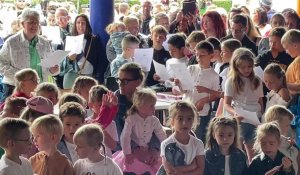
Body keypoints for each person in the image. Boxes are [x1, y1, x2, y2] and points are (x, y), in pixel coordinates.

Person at [0, 8, 59, 103]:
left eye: (37, 22)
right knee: (10, 114)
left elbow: (51, 66)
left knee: (35, 116)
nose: (35, 25)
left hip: (38, 89)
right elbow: (1, 64)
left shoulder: (45, 43)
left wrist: (53, 70)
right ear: (22, 24)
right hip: (14, 87)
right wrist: (20, 77)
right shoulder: (11, 42)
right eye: (31, 22)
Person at [223, 48, 264, 162]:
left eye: (249, 67)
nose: (247, 70)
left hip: (254, 119)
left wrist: (262, 117)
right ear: (236, 67)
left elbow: (260, 101)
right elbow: (226, 104)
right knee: (237, 153)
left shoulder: (257, 80)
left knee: (254, 154)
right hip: (239, 119)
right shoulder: (231, 81)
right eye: (243, 67)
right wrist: (235, 114)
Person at [174, 41, 219, 142]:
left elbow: (216, 95)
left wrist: (204, 100)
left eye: (202, 55)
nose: (199, 58)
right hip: (186, 108)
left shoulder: (214, 75)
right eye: (197, 55)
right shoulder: (190, 68)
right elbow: (184, 90)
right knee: (182, 136)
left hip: (201, 112)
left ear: (211, 56)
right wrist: (179, 84)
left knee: (198, 139)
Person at [114, 88, 166, 174]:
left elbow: (161, 135)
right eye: (151, 106)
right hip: (132, 151)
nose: (154, 108)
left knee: (157, 164)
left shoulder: (154, 120)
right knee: (133, 165)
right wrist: (127, 154)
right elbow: (125, 137)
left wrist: (164, 150)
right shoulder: (131, 119)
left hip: (148, 149)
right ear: (140, 106)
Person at [60, 14, 108, 89]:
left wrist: (99, 76)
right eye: (78, 23)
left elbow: (101, 59)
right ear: (75, 25)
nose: (80, 25)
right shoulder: (68, 40)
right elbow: (63, 62)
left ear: (87, 25)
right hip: (72, 75)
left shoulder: (94, 40)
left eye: (83, 23)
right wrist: (70, 59)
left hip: (89, 74)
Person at [160, 101, 205, 174]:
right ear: (172, 121)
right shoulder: (166, 144)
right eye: (180, 119)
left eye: (189, 119)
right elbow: (170, 171)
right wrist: (192, 167)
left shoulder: (198, 144)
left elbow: (200, 170)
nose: (185, 123)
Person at [114, 63, 144, 148]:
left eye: (125, 81)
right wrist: (135, 150)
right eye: (119, 80)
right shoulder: (114, 101)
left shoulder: (145, 99)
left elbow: (153, 128)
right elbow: (118, 135)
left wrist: (154, 149)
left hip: (144, 147)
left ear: (138, 82)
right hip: (122, 150)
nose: (120, 84)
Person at [264, 105, 299, 173]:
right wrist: (295, 147)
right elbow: (289, 157)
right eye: (287, 125)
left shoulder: (284, 140)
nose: (289, 128)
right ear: (276, 124)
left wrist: (293, 145)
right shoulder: (270, 143)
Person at [86, 85, 118, 157]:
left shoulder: (111, 123)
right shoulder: (86, 123)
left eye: (108, 105)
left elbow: (113, 146)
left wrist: (102, 129)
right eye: (101, 105)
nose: (105, 108)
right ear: (90, 105)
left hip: (107, 161)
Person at [281, 29, 300, 95]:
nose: (286, 52)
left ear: (295, 45)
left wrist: (281, 84)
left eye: (286, 48)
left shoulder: (298, 61)